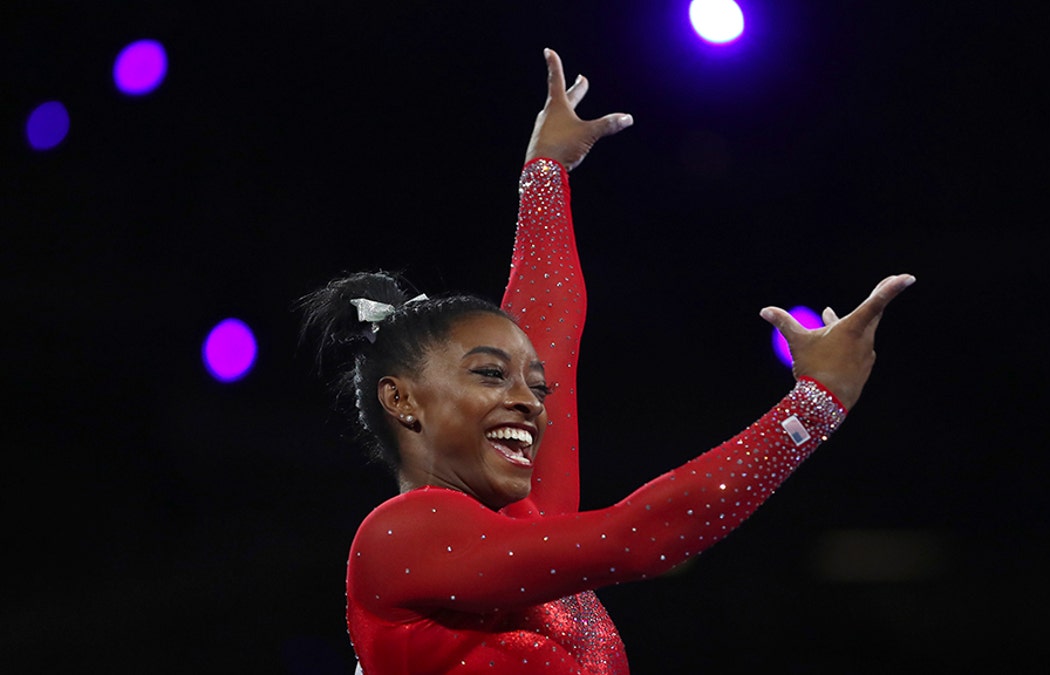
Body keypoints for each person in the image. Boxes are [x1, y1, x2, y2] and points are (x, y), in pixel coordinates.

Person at [298, 48, 914, 675]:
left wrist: (546, 171)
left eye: (534, 387)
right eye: (489, 374)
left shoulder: (525, 518)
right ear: (401, 399)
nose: (530, 401)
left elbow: (549, 328)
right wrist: (813, 406)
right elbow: (638, 539)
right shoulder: (403, 533)